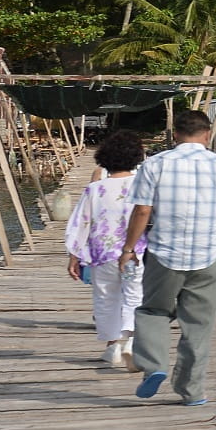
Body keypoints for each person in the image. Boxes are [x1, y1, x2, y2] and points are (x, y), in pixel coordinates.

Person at [119, 109, 216, 407]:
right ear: (207, 135)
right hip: (207, 255)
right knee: (198, 325)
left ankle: (155, 366)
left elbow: (142, 211)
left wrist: (128, 249)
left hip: (164, 252)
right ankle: (192, 392)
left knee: (153, 312)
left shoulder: (154, 164)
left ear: (175, 134)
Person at [64, 130, 148, 368]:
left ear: (104, 159)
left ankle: (112, 346)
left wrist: (74, 256)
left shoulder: (94, 189)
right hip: (136, 252)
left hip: (102, 253)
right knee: (135, 295)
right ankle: (131, 340)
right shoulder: (142, 185)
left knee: (105, 298)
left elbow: (80, 223)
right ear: (137, 158)